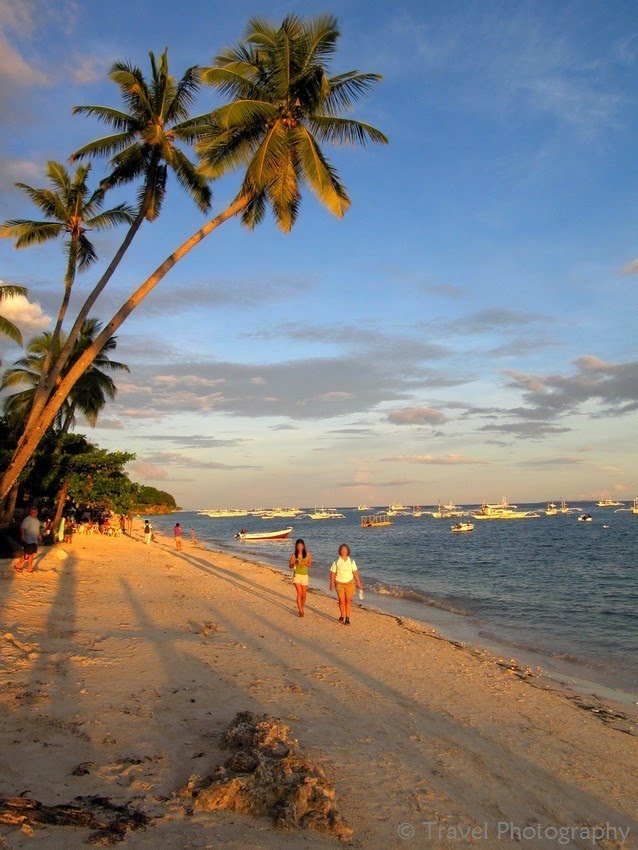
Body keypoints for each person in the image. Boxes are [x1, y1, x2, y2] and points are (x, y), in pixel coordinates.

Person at [329, 544, 363, 625]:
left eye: (345, 550)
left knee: (348, 601)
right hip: (339, 582)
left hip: (349, 583)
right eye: (342, 550)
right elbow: (332, 573)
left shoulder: (351, 561)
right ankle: (342, 615)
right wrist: (331, 583)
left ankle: (347, 618)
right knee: (341, 601)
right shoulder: (336, 561)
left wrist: (358, 582)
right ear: (340, 551)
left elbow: (355, 572)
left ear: (348, 551)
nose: (344, 551)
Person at [289, 538, 312, 617]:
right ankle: (300, 611)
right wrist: (295, 563)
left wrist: (304, 563)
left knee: (304, 595)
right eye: (298, 546)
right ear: (296, 546)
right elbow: (290, 566)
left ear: (303, 546)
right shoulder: (294, 555)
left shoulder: (308, 554)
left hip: (305, 575)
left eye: (301, 545)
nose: (300, 547)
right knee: (299, 593)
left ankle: (302, 608)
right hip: (297, 575)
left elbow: (310, 564)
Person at [15, 507, 42, 574]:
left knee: (32, 554)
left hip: (34, 540)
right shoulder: (27, 519)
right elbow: (22, 528)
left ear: (37, 513)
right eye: (32, 512)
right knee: (27, 554)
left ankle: (29, 568)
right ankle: (18, 565)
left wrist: (39, 535)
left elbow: (37, 529)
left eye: (35, 512)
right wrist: (23, 536)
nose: (33, 513)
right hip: (28, 539)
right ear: (30, 512)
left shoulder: (37, 520)